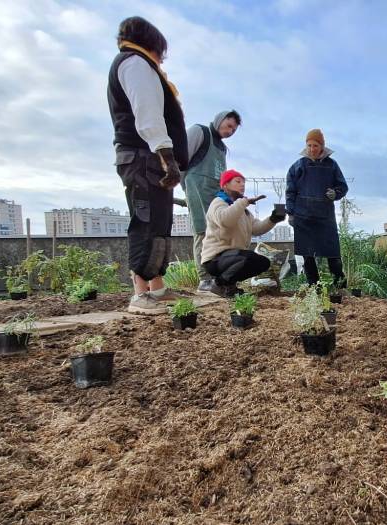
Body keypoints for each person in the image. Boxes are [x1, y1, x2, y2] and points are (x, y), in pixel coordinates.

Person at [107, 16, 188, 315]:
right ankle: (140, 294)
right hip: (143, 156)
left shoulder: (140, 65)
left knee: (158, 222)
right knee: (145, 221)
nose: (161, 59)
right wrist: (167, 156)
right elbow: (148, 114)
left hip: (149, 157)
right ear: (152, 44)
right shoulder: (135, 63)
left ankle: (158, 288)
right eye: (161, 52)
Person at [181, 110, 242, 294]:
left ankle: (219, 279)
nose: (230, 131)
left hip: (216, 193)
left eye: (234, 130)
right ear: (219, 119)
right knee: (202, 231)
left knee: (220, 232)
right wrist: (187, 187)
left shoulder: (222, 148)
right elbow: (182, 160)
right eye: (229, 125)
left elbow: (222, 176)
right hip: (197, 188)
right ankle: (204, 279)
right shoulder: (200, 132)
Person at [200, 170, 285, 297]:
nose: (242, 185)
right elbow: (225, 220)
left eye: (244, 182)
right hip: (215, 259)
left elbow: (256, 229)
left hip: (234, 257)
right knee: (248, 257)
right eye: (238, 181)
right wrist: (244, 202)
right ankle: (218, 284)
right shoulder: (218, 202)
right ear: (225, 185)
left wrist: (273, 219)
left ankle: (229, 286)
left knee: (263, 262)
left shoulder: (243, 211)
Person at [285, 129, 349, 287]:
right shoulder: (297, 167)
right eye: (309, 145)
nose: (312, 149)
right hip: (303, 217)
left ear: (322, 146)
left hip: (325, 217)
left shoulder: (332, 165)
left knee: (333, 253)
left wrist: (336, 193)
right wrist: (291, 213)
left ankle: (339, 285)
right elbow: (290, 192)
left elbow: (343, 186)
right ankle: (314, 287)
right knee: (308, 255)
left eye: (315, 145)